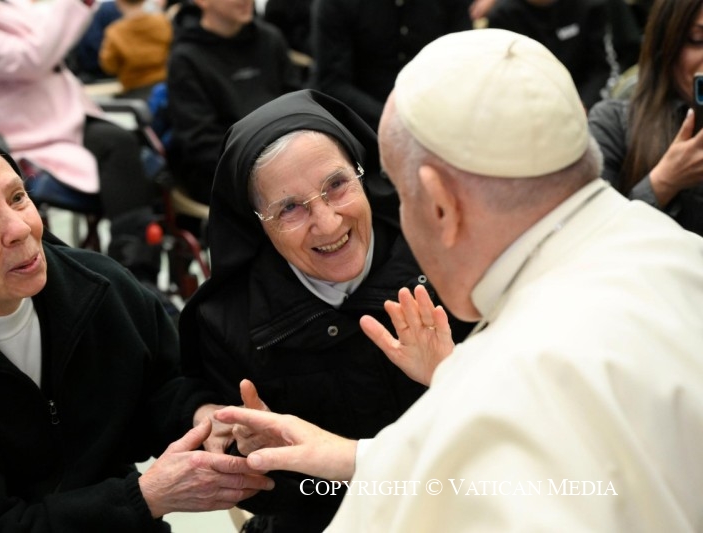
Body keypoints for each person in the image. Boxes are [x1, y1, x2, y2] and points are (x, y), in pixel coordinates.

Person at [215, 29, 703, 531]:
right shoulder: (675, 247)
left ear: (440, 204)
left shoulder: (512, 368)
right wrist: (356, 454)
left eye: (399, 197)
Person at [0, 128, 274, 531]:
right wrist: (144, 497)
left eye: (18, 197)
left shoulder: (99, 289)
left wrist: (206, 418)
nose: (20, 228)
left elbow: (162, 385)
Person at [176, 88, 475, 532]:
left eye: (336, 185)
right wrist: (263, 461)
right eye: (289, 208)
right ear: (255, 223)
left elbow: (521, 435)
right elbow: (279, 501)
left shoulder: (448, 257)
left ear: (363, 173)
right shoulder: (227, 322)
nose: (328, 223)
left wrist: (452, 376)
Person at [0, 0, 165, 287]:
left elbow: (43, 32)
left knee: (128, 145)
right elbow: (32, 57)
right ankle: (135, 275)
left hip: (62, 117)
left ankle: (138, 269)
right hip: (21, 133)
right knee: (119, 148)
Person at [166, 0, 300, 206]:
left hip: (290, 158)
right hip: (227, 175)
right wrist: (267, 167)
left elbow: (298, 104)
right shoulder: (185, 58)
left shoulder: (270, 38)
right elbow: (201, 142)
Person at [588, 0, 703, 237]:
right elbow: (593, 238)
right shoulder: (613, 122)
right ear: (666, 44)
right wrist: (664, 181)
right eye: (697, 40)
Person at [310, 0, 472, 131]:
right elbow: (331, 84)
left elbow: (464, 67)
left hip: (436, 118)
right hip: (362, 127)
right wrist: (395, 121)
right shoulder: (336, 3)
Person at [485, 0, 614, 110]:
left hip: (586, 101)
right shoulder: (503, 16)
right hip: (532, 108)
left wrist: (585, 104)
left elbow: (603, 68)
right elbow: (503, 82)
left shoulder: (590, 5)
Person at [99, 0, 173, 102]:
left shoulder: (115, 32)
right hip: (166, 90)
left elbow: (109, 66)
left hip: (134, 93)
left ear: (119, 2)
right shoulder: (163, 22)